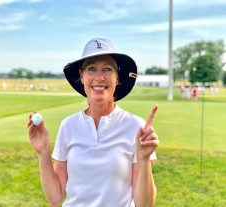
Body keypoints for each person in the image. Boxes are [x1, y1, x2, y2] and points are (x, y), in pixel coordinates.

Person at [28, 38, 159, 207]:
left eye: (107, 69)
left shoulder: (136, 126)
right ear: (81, 76)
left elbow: (145, 204)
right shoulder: (68, 126)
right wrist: (43, 152)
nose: (99, 77)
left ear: (117, 78)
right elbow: (56, 197)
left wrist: (144, 159)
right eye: (91, 69)